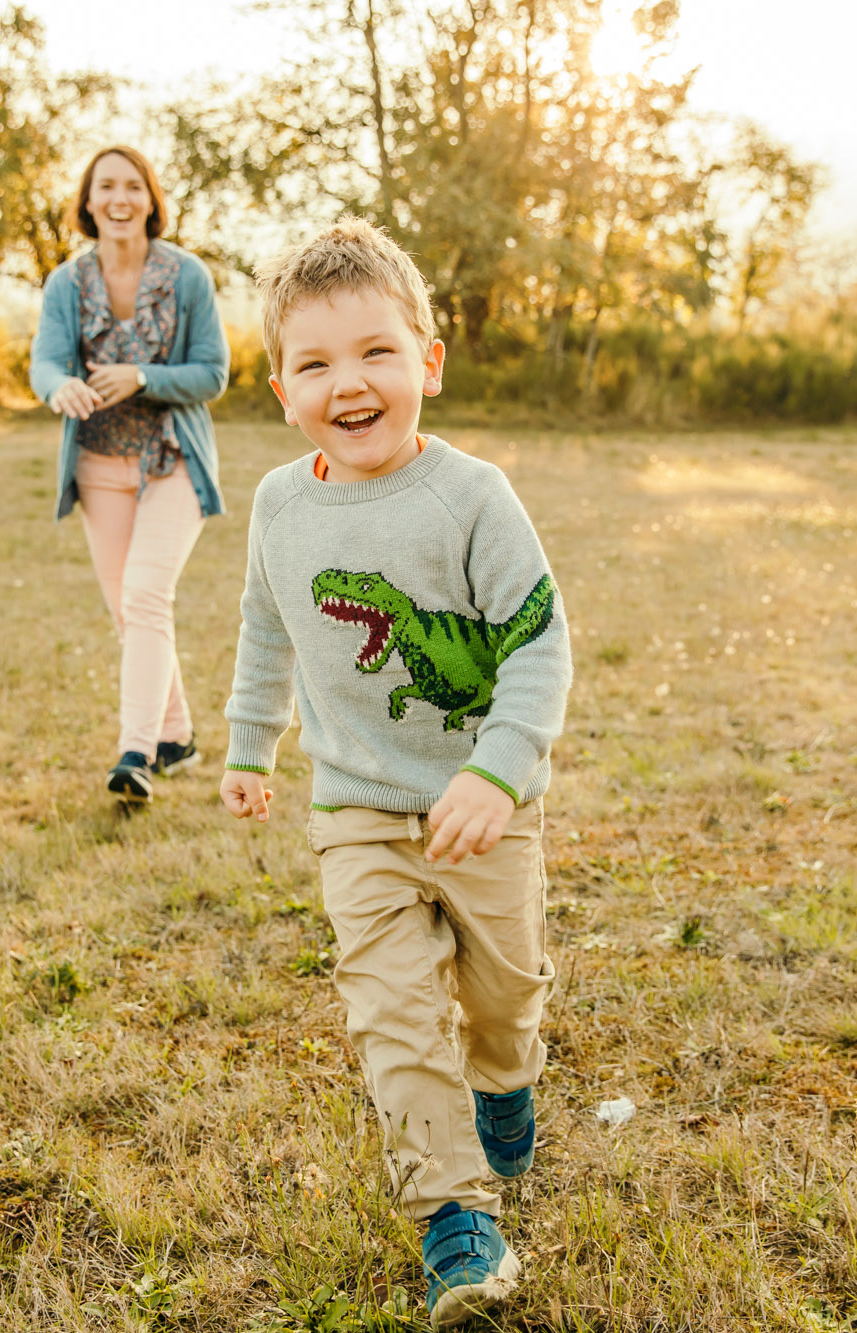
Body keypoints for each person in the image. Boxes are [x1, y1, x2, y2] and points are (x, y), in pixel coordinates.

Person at [218, 219, 572, 1327]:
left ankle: (505, 1083)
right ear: (281, 389)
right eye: (315, 363)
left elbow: (537, 642)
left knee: (502, 994)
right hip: (357, 811)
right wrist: (246, 740)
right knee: (391, 1012)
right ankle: (453, 1217)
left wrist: (498, 770)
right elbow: (266, 626)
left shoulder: (470, 497)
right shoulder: (280, 505)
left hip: (482, 812)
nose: (349, 382)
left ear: (426, 360)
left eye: (375, 352)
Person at [30, 147, 230, 803]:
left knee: (145, 594)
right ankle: (176, 736)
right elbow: (46, 365)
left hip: (172, 460)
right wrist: (61, 388)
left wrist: (143, 376)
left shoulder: (187, 276)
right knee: (129, 610)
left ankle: (135, 755)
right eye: (104, 186)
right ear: (87, 202)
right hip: (97, 464)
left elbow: (212, 373)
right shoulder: (67, 283)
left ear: (150, 198)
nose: (119, 198)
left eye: (131, 186)